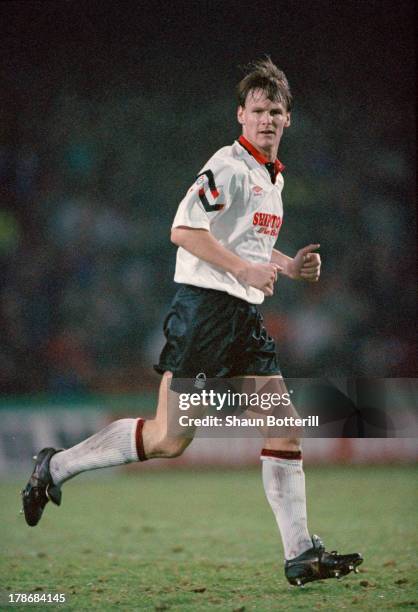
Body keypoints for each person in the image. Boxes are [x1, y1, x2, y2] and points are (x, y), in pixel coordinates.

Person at [22, 57, 362, 586]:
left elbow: (249, 247)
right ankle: (56, 465)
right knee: (168, 439)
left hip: (241, 317)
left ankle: (301, 554)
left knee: (284, 427)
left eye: (276, 110)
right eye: (257, 110)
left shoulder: (271, 178)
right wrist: (248, 268)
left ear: (289, 118)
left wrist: (286, 265)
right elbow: (183, 230)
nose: (267, 119)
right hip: (204, 313)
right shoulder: (227, 166)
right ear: (240, 116)